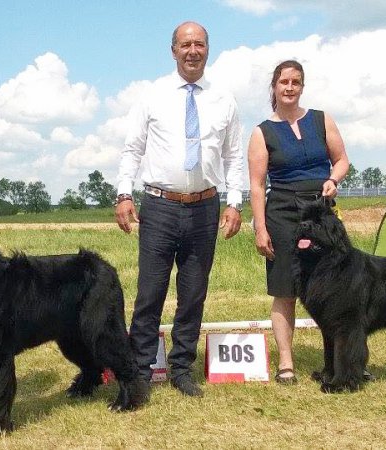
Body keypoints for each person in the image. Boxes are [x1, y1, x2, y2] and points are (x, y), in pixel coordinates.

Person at [115, 21, 245, 398]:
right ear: (173, 51)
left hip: (205, 207)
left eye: (199, 44)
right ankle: (140, 370)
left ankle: (182, 368)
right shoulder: (152, 95)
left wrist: (235, 202)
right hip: (159, 206)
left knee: (193, 293)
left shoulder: (225, 99)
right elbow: (132, 149)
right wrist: (124, 194)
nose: (193, 51)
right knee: (150, 292)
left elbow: (234, 155)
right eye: (185, 44)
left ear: (208, 49)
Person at [247, 60, 350, 384]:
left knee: (337, 289)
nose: (289, 87)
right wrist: (261, 228)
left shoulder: (322, 120)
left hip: (320, 210)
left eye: (296, 82)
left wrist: (334, 178)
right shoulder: (262, 131)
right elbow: (257, 185)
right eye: (284, 82)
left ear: (302, 86)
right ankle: (286, 364)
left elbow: (342, 160)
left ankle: (343, 361)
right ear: (274, 87)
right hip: (282, 214)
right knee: (285, 290)